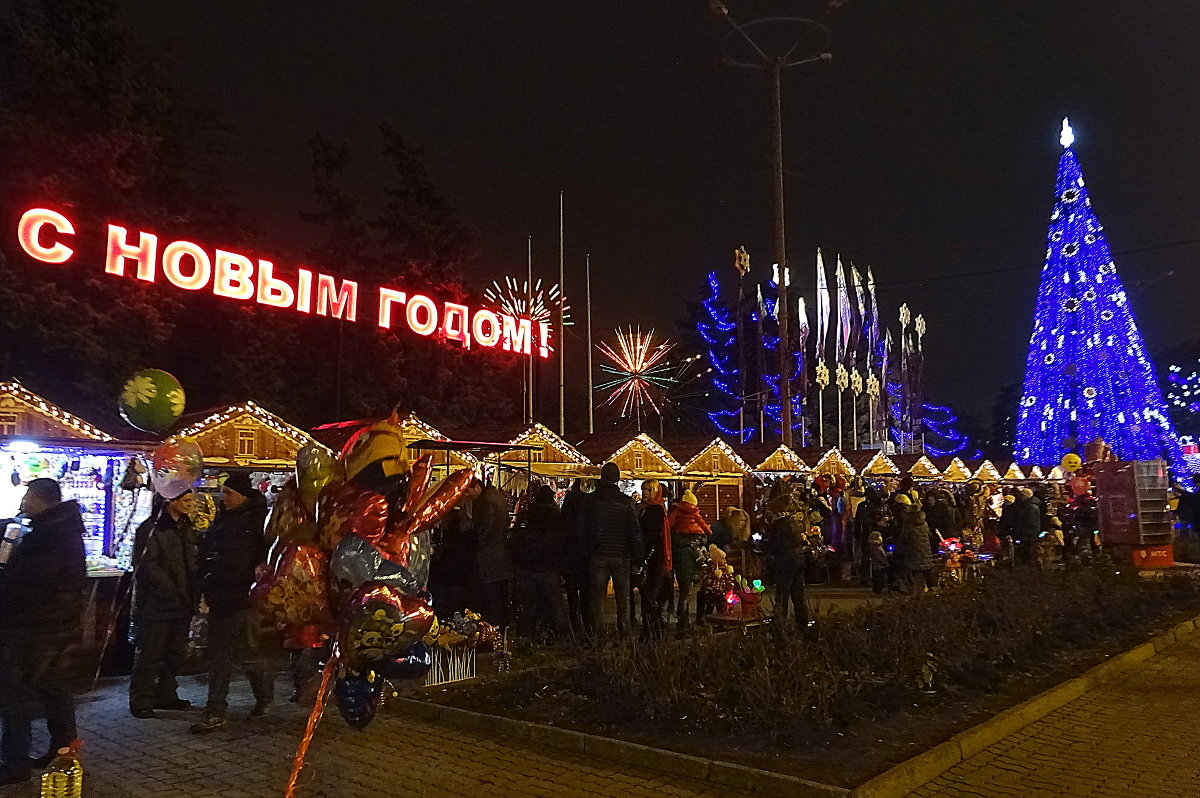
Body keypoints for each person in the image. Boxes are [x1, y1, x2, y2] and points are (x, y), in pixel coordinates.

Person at [0, 479, 87, 784]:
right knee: (54, 689)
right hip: (52, 626)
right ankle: (63, 751)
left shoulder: (50, 535)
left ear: (42, 499)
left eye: (27, 497)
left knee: (14, 693)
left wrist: (7, 580)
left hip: (33, 627)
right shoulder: (60, 530)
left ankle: (14, 762)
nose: (23, 503)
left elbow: (31, 585)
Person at [190, 474, 274, 733]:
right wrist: (204, 579)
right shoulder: (222, 521)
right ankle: (215, 709)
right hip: (220, 597)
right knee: (219, 657)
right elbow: (208, 552)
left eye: (228, 493)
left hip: (245, 599)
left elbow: (268, 557)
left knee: (247, 654)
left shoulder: (259, 522)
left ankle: (263, 694)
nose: (222, 498)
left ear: (243, 496)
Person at [129, 490, 198, 719]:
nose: (191, 505)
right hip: (156, 603)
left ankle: (166, 694)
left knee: (174, 652)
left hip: (182, 601)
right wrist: (170, 592)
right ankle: (141, 699)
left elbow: (191, 562)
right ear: (171, 501)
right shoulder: (151, 529)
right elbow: (148, 567)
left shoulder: (186, 527)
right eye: (186, 501)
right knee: (150, 652)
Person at [578, 463, 642, 636]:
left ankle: (596, 635)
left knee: (597, 598)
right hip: (621, 555)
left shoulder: (590, 501)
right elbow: (634, 532)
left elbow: (582, 530)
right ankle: (624, 632)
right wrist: (638, 558)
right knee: (623, 597)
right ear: (617, 478)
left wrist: (585, 552)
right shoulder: (627, 502)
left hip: (597, 553)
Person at [510, 485, 569, 637]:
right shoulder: (556, 516)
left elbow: (516, 539)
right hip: (548, 566)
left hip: (528, 566)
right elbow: (561, 542)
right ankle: (554, 634)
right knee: (553, 604)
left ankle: (527, 635)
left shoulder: (527, 515)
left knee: (528, 605)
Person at [471, 478, 515, 629]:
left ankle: (493, 625)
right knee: (499, 592)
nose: (467, 496)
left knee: (492, 593)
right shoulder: (496, 495)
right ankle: (502, 623)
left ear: (476, 488)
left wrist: (476, 543)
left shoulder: (486, 501)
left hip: (489, 554)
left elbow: (486, 527)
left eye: (468, 492)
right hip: (499, 552)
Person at [668, 489, 711, 630]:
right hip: (692, 560)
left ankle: (683, 623)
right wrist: (708, 533)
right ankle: (687, 624)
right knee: (688, 594)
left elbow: (668, 524)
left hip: (682, 563)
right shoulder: (695, 516)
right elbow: (703, 524)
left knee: (684, 594)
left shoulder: (676, 516)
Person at [765, 496, 810, 628]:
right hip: (798, 558)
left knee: (782, 593)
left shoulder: (778, 526)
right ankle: (802, 623)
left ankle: (779, 623)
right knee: (798, 593)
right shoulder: (795, 523)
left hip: (785, 561)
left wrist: (760, 547)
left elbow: (773, 547)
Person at [636, 480, 672, 639]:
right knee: (650, 594)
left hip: (653, 559)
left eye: (649, 490)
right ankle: (654, 628)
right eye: (644, 489)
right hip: (653, 557)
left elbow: (650, 536)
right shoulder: (651, 509)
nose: (645, 493)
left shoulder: (654, 510)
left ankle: (652, 628)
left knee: (650, 594)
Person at [559, 480, 589, 635]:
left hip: (570, 558)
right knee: (584, 592)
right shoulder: (585, 508)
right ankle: (585, 625)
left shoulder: (566, 517)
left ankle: (575, 624)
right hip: (583, 558)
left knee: (572, 594)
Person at [894, 493, 937, 592]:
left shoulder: (908, 525)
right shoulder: (924, 523)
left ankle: (917, 591)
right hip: (925, 552)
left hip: (912, 553)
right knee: (927, 570)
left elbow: (903, 539)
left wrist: (899, 550)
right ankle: (933, 590)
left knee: (915, 574)